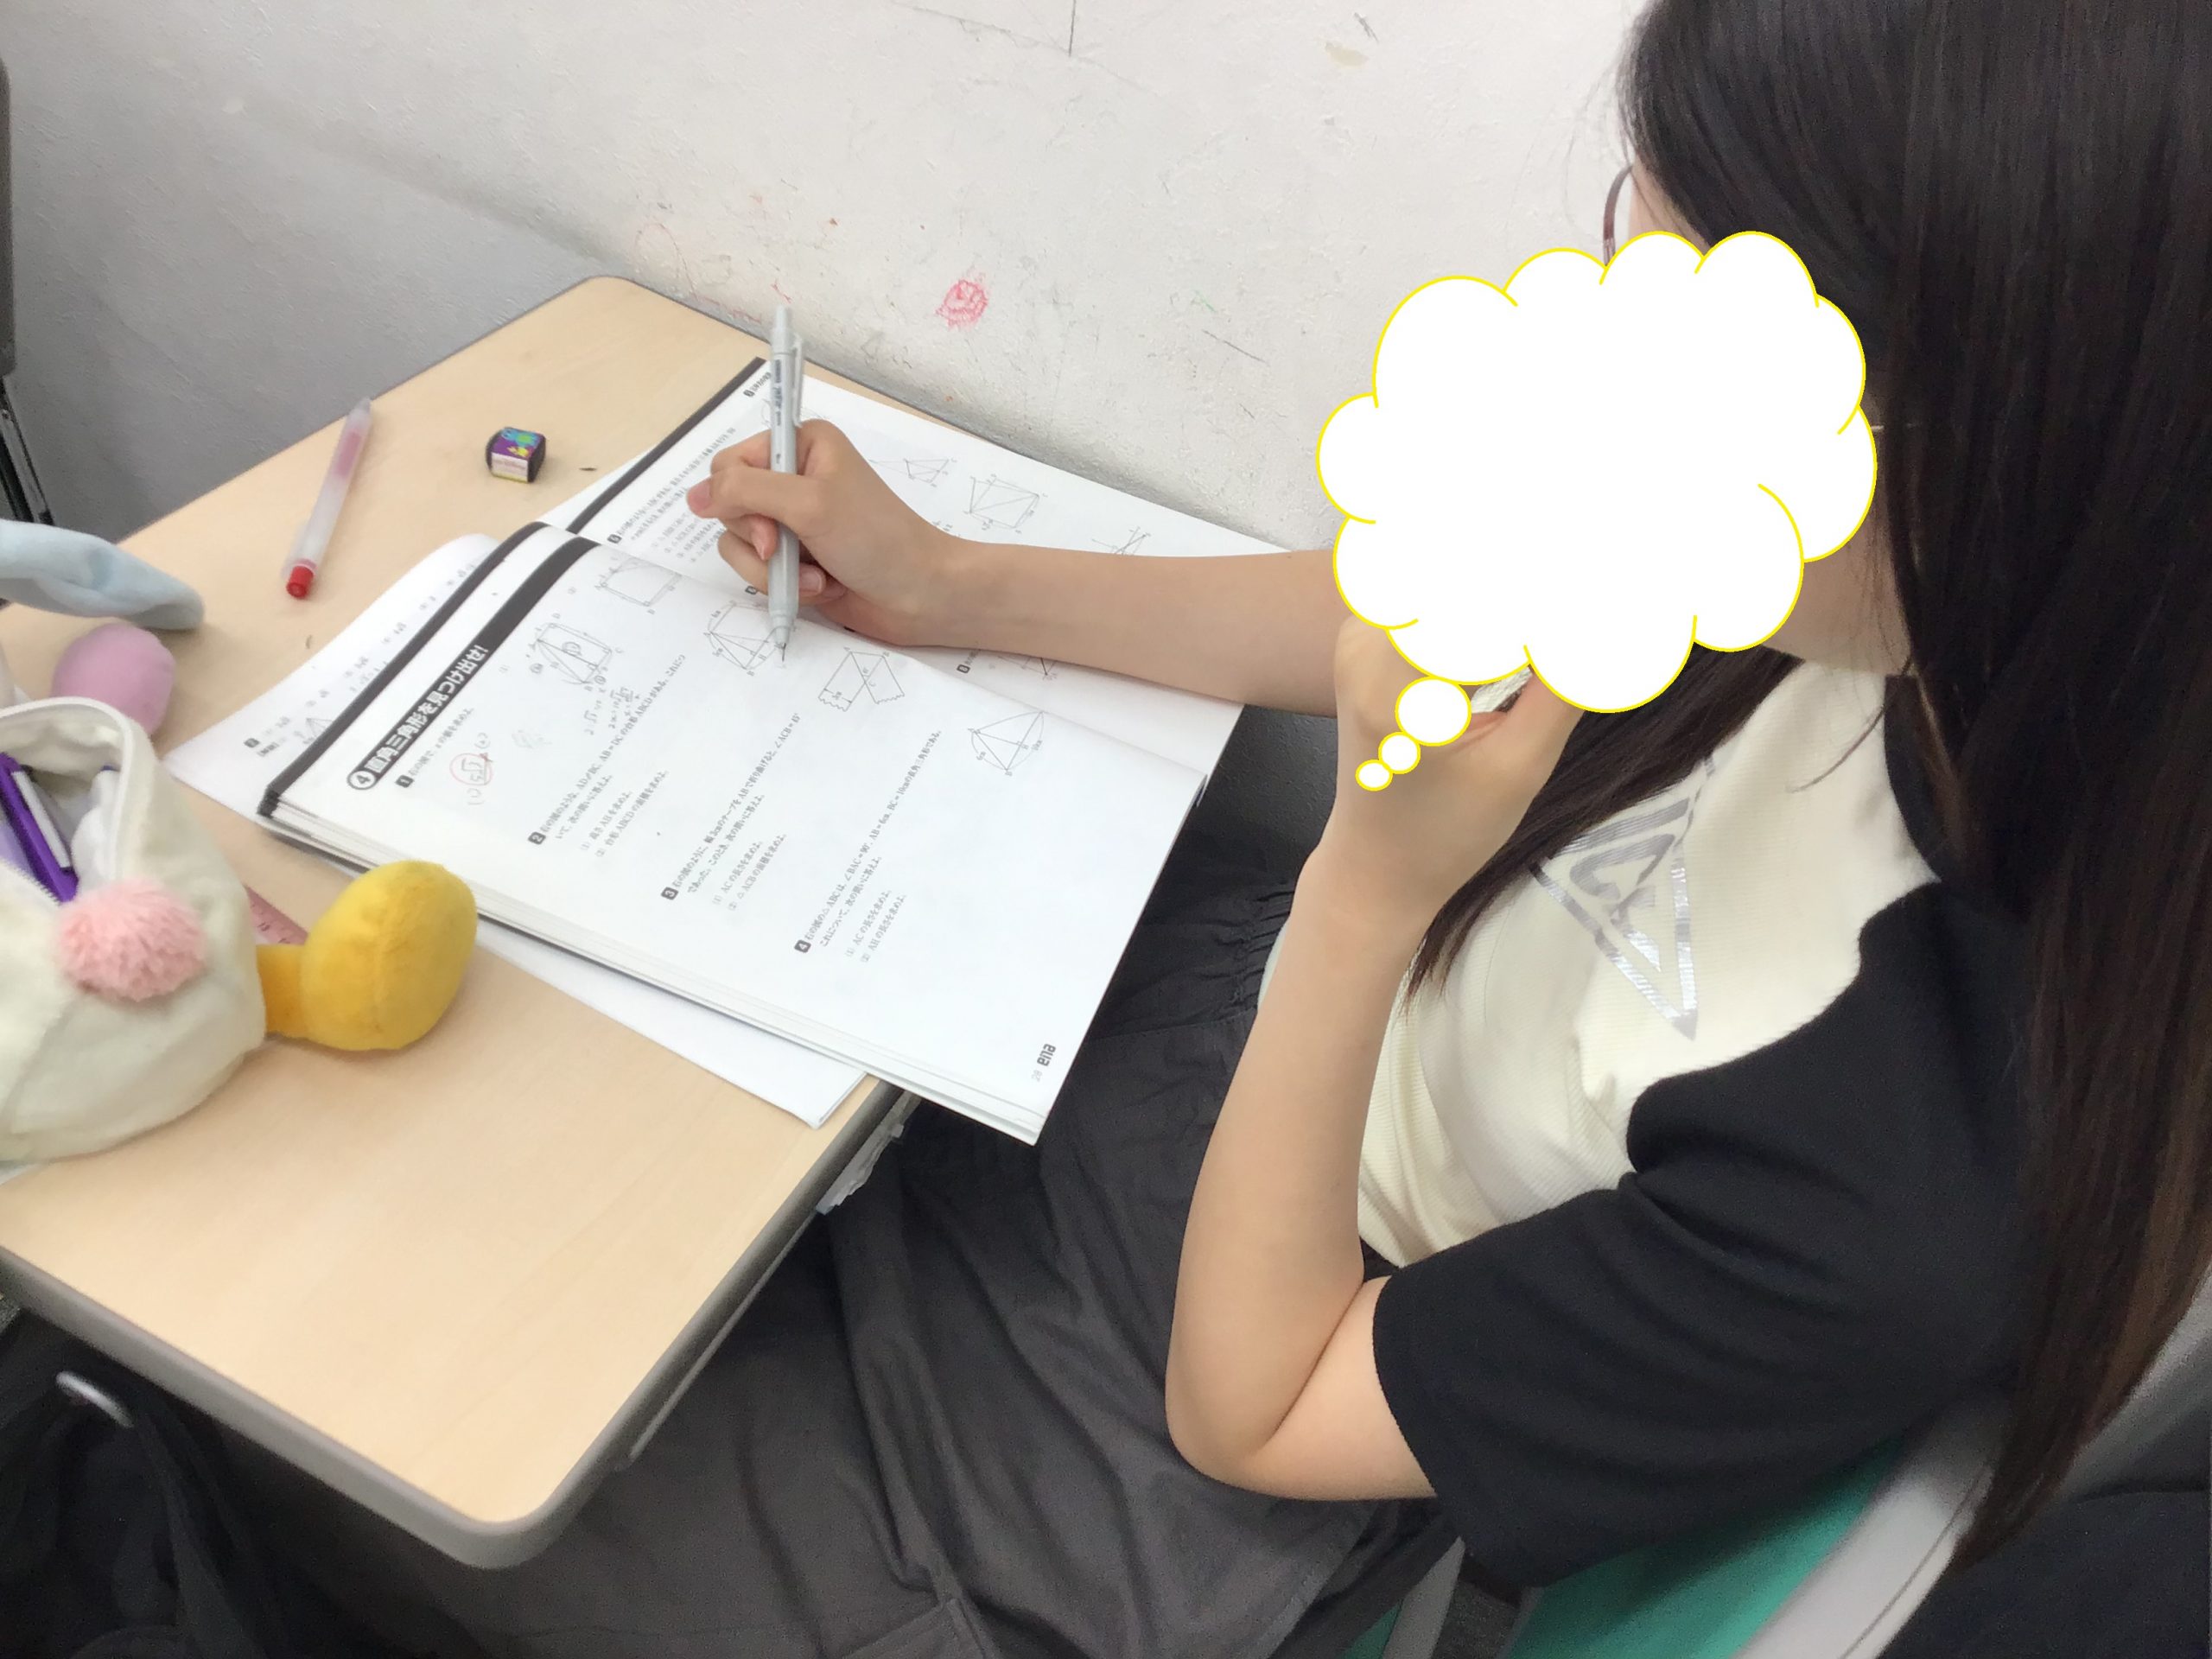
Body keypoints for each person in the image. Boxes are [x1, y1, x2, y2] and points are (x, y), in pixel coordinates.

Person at [237, 0, 2212, 1653]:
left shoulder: (1911, 1189)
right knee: (526, 1150)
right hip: (1198, 1045)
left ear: (1995, 447)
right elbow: (1397, 620)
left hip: (1196, 1406)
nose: (1617, 355)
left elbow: (1246, 1409)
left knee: (346, 1444)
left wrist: (1364, 891)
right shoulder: (1840, 579)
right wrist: (952, 586)